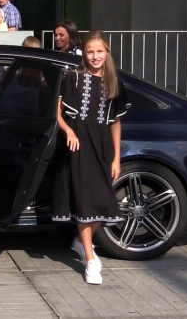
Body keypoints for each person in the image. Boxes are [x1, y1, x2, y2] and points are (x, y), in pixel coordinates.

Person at [53, 30, 128, 285]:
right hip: (78, 148)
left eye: (99, 51)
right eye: (90, 52)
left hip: (103, 149)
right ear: (84, 53)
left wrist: (117, 158)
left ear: (107, 53)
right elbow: (58, 114)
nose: (95, 56)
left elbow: (115, 123)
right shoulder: (72, 78)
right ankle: (90, 260)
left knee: (105, 204)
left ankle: (80, 242)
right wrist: (69, 131)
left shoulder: (114, 83)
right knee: (85, 204)